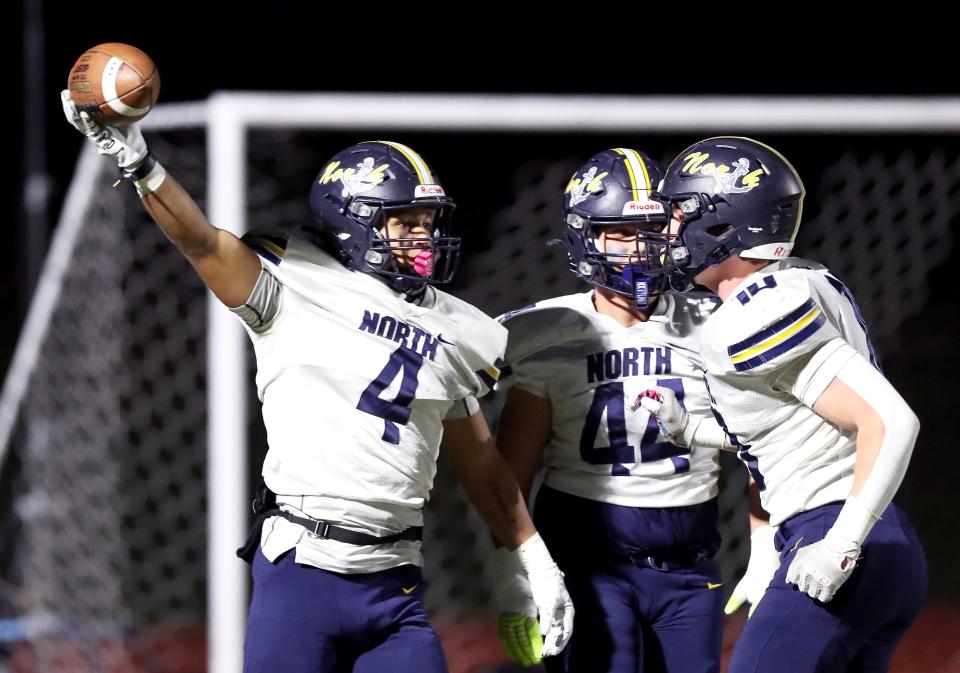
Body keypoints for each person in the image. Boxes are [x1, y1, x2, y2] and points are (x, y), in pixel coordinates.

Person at [60, 91, 573, 673]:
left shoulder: (458, 327)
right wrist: (140, 164)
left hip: (397, 582)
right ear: (352, 221)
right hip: (302, 571)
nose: (422, 237)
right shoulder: (291, 286)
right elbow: (200, 239)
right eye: (403, 222)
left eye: (427, 222)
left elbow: (480, 460)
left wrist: (527, 562)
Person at [646, 136, 927, 672]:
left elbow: (890, 421)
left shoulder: (752, 314)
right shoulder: (804, 279)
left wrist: (840, 543)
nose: (669, 231)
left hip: (839, 535)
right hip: (883, 537)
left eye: (680, 213)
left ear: (724, 224)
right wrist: (691, 430)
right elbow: (789, 428)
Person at [490, 148, 728, 672]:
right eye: (621, 231)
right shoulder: (540, 332)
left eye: (653, 229)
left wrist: (766, 538)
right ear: (586, 237)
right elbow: (509, 472)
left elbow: (764, 437)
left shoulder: (718, 321)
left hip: (691, 564)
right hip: (588, 562)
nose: (641, 248)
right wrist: (514, 567)